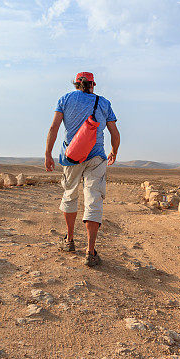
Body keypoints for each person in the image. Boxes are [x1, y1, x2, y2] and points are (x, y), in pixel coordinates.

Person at [44, 71, 120, 267]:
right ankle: (90, 251)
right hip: (96, 157)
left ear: (76, 84)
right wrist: (114, 151)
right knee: (93, 200)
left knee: (70, 195)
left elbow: (53, 128)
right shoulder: (104, 103)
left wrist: (48, 154)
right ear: (93, 84)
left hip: (72, 155)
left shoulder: (65, 99)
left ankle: (69, 241)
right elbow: (114, 132)